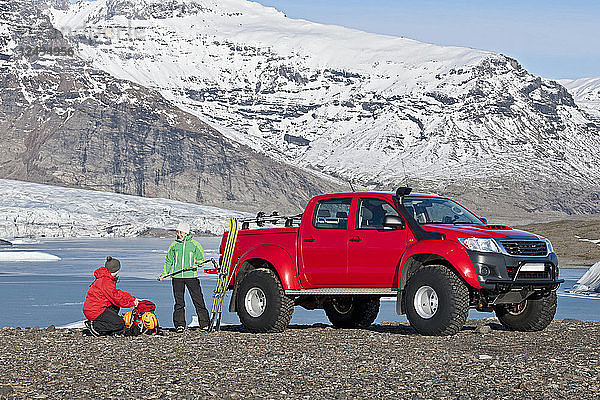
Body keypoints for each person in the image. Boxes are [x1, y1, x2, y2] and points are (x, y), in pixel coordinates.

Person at [159, 221, 210, 332]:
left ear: (186, 233)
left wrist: (198, 263)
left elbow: (201, 259)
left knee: (198, 300)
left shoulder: (195, 245)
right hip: (177, 277)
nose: (178, 234)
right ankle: (179, 325)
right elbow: (168, 260)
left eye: (180, 232)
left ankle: (205, 324)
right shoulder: (174, 245)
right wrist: (165, 273)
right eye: (177, 232)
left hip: (191, 276)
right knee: (179, 302)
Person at [83, 256, 140, 336]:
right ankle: (95, 326)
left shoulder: (105, 277)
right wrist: (132, 303)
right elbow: (116, 299)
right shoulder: (106, 282)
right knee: (119, 324)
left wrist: (132, 298)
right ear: (117, 270)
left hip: (95, 307)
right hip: (94, 310)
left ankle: (108, 326)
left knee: (115, 307)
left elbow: (116, 293)